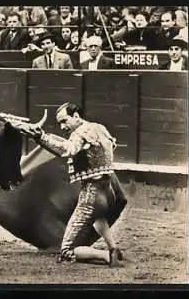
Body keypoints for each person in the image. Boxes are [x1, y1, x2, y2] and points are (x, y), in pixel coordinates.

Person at [19, 102, 124, 267]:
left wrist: (41, 137)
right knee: (98, 216)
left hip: (92, 194)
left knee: (67, 251)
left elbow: (66, 150)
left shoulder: (79, 133)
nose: (62, 127)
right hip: (108, 191)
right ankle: (113, 248)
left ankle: (107, 256)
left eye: (64, 121)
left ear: (76, 116)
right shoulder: (100, 128)